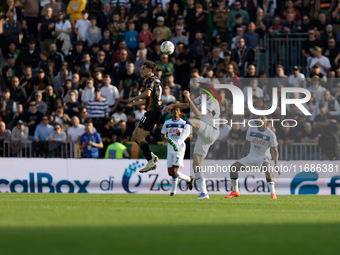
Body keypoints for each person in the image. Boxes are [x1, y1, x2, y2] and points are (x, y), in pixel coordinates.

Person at [165, 89, 220, 199]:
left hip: (211, 130)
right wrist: (173, 105)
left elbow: (198, 113)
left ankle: (178, 142)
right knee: (196, 164)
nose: (201, 93)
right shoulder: (201, 99)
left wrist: (189, 98)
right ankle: (204, 193)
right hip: (204, 134)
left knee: (191, 120)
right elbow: (186, 105)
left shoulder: (212, 102)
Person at [226, 115, 279, 199]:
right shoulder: (251, 129)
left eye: (262, 119)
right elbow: (246, 144)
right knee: (233, 168)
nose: (260, 121)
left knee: (267, 168)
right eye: (259, 119)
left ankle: (273, 194)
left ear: (267, 122)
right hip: (251, 156)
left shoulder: (271, 134)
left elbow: (275, 150)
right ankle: (235, 191)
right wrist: (241, 156)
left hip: (263, 157)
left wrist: (276, 165)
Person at [128, 61, 163, 172]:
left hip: (153, 113)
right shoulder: (155, 80)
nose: (141, 70)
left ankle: (150, 162)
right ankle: (151, 156)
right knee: (134, 136)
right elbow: (149, 100)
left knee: (139, 137)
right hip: (150, 112)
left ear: (150, 71)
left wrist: (134, 98)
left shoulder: (150, 80)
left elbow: (147, 94)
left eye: (143, 69)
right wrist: (135, 103)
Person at [161, 106, 193, 196]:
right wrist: (164, 137)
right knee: (170, 172)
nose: (175, 112)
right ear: (171, 112)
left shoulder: (184, 124)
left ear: (180, 113)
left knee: (175, 170)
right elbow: (163, 134)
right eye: (174, 110)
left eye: (177, 110)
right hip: (170, 148)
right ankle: (189, 179)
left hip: (179, 148)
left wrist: (182, 135)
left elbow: (191, 137)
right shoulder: (167, 123)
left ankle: (173, 192)